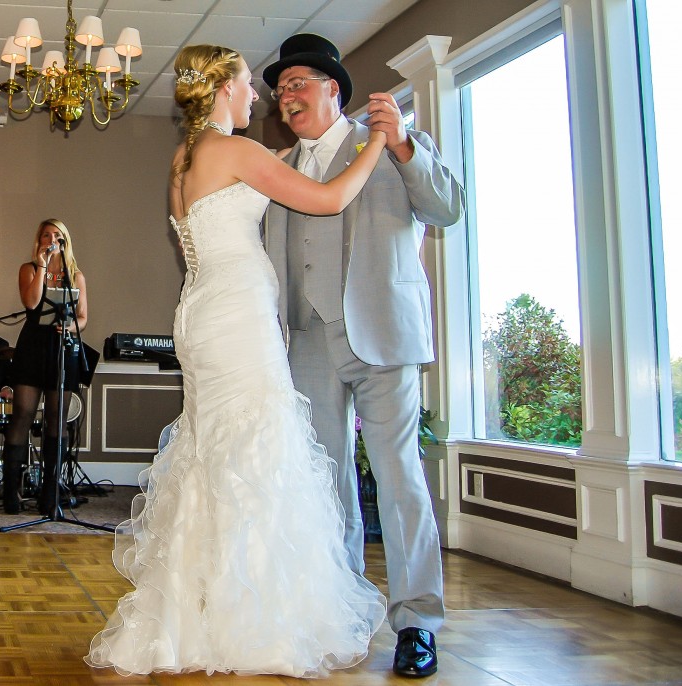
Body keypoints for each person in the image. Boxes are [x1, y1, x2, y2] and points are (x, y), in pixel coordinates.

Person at [86, 45, 388, 678]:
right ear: (224, 87)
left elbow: (249, 187)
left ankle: (198, 613)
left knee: (213, 450)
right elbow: (329, 199)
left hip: (199, 312)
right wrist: (376, 146)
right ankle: (255, 616)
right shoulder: (236, 152)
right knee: (257, 447)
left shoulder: (186, 158)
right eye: (250, 84)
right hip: (238, 314)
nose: (259, 97)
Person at [262, 33, 466, 678]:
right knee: (327, 485)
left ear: (333, 89)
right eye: (281, 88)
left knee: (399, 478)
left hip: (384, 335)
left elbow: (447, 207)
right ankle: (343, 608)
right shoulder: (277, 164)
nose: (286, 96)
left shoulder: (389, 142)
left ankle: (417, 622)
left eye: (298, 83)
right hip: (309, 339)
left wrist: (403, 146)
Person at [1, 219, 88, 515]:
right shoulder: (28, 268)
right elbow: (31, 301)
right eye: (46, 236)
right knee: (22, 415)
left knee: (57, 419)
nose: (52, 240)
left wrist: (71, 329)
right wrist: (42, 265)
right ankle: (11, 493)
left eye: (57, 236)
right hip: (33, 347)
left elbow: (84, 317)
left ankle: (49, 495)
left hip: (61, 348)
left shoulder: (76, 276)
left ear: (65, 241)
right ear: (39, 241)